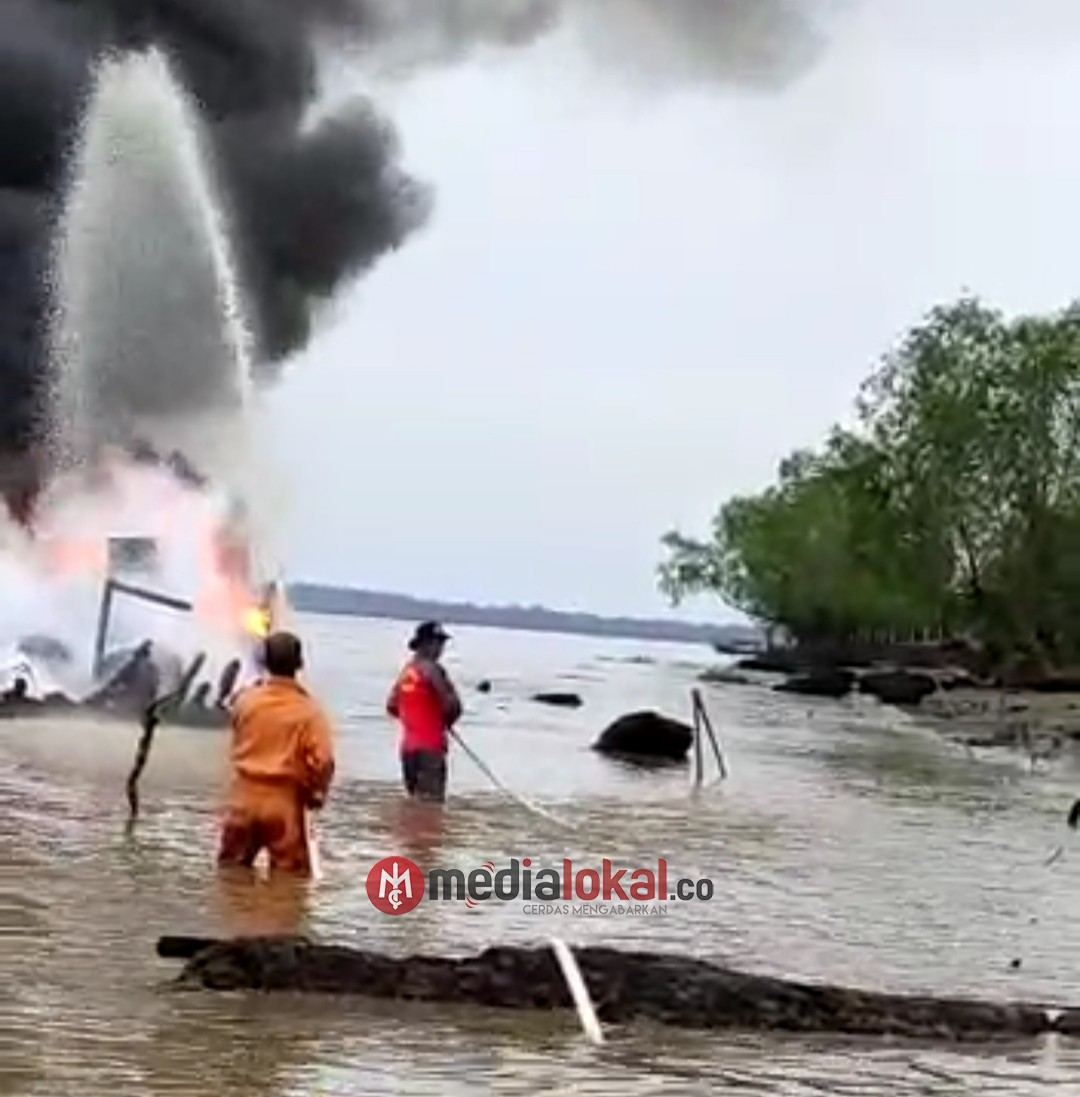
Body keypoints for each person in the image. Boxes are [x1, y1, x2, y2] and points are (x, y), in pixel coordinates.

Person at [217, 631, 335, 877]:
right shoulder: (309, 711)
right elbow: (323, 760)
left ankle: (233, 914)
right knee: (288, 881)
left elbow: (236, 734)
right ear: (300, 664)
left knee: (230, 874)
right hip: (283, 804)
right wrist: (317, 791)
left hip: (243, 798)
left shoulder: (245, 701)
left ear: (264, 663)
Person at [386, 621, 462, 802]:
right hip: (431, 750)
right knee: (432, 808)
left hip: (408, 750)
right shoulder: (433, 670)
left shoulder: (407, 671)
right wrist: (445, 722)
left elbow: (391, 705)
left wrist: (414, 720)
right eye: (439, 643)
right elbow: (453, 705)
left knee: (416, 804)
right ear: (426, 644)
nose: (441, 648)